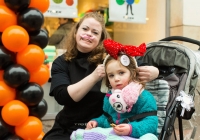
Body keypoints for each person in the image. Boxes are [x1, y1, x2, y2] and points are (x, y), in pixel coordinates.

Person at [43, 12, 159, 140]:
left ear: (100, 39)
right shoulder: (62, 62)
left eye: (95, 32)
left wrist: (155, 71)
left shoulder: (109, 60)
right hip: (68, 126)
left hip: (102, 127)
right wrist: (94, 77)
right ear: (76, 32)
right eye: (85, 29)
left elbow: (134, 64)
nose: (89, 34)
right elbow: (62, 97)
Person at [81, 39, 158, 139]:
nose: (116, 79)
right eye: (111, 75)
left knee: (149, 137)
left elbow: (151, 122)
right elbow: (106, 117)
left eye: (121, 73)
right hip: (114, 135)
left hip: (137, 136)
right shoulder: (109, 96)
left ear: (133, 73)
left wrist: (131, 129)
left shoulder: (143, 96)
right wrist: (96, 122)